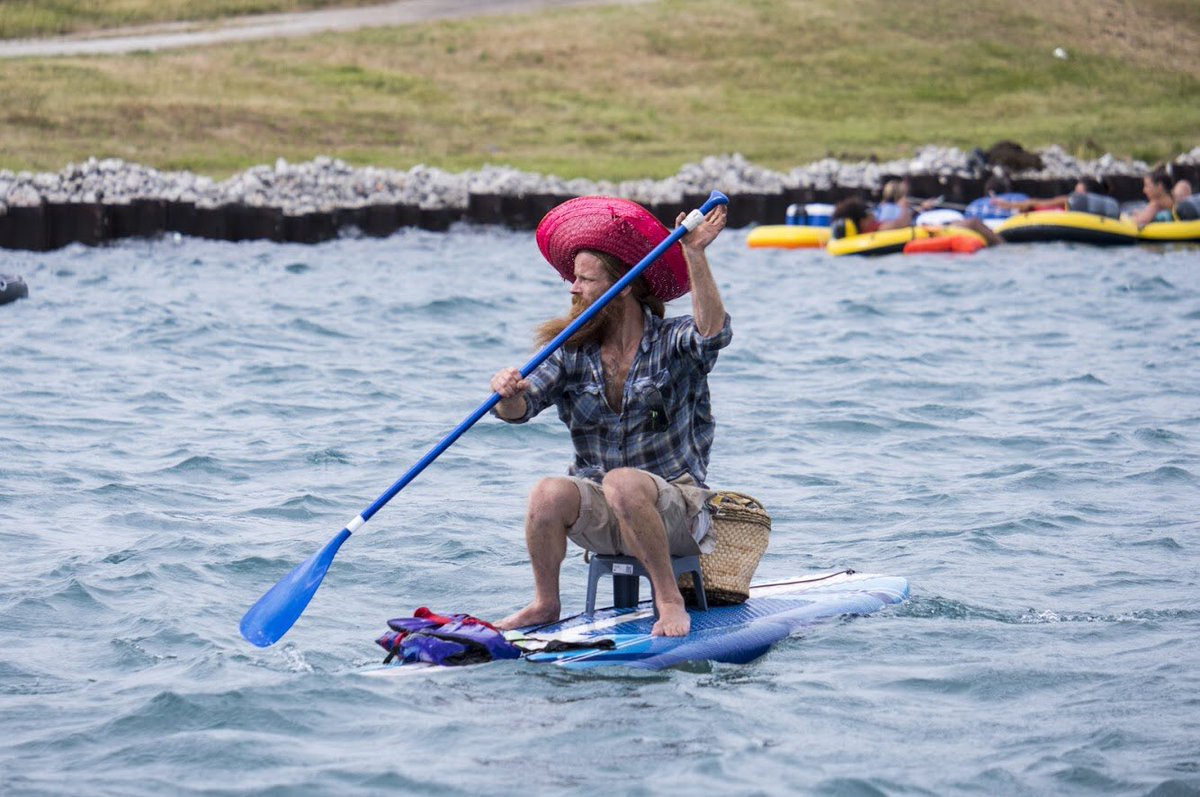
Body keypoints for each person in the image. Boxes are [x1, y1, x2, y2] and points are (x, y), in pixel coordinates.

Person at [490, 196, 731, 638]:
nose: (572, 289)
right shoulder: (571, 349)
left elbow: (712, 334)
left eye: (585, 279)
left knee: (624, 481)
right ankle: (545, 603)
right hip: (605, 512)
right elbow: (519, 410)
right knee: (547, 492)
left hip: (676, 509)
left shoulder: (673, 341)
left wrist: (694, 254)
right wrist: (506, 393)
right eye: (573, 278)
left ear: (623, 286)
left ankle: (669, 599)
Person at [831, 195, 1004, 246]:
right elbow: (902, 223)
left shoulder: (868, 232)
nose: (873, 214)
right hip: (925, 232)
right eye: (869, 212)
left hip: (920, 230)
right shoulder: (879, 229)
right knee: (973, 223)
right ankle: (1002, 246)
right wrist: (904, 206)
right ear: (862, 221)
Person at [993, 177, 1120, 218]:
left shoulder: (1068, 201)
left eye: (1077, 192)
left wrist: (1006, 205)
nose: (1074, 196)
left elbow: (1035, 202)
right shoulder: (1069, 203)